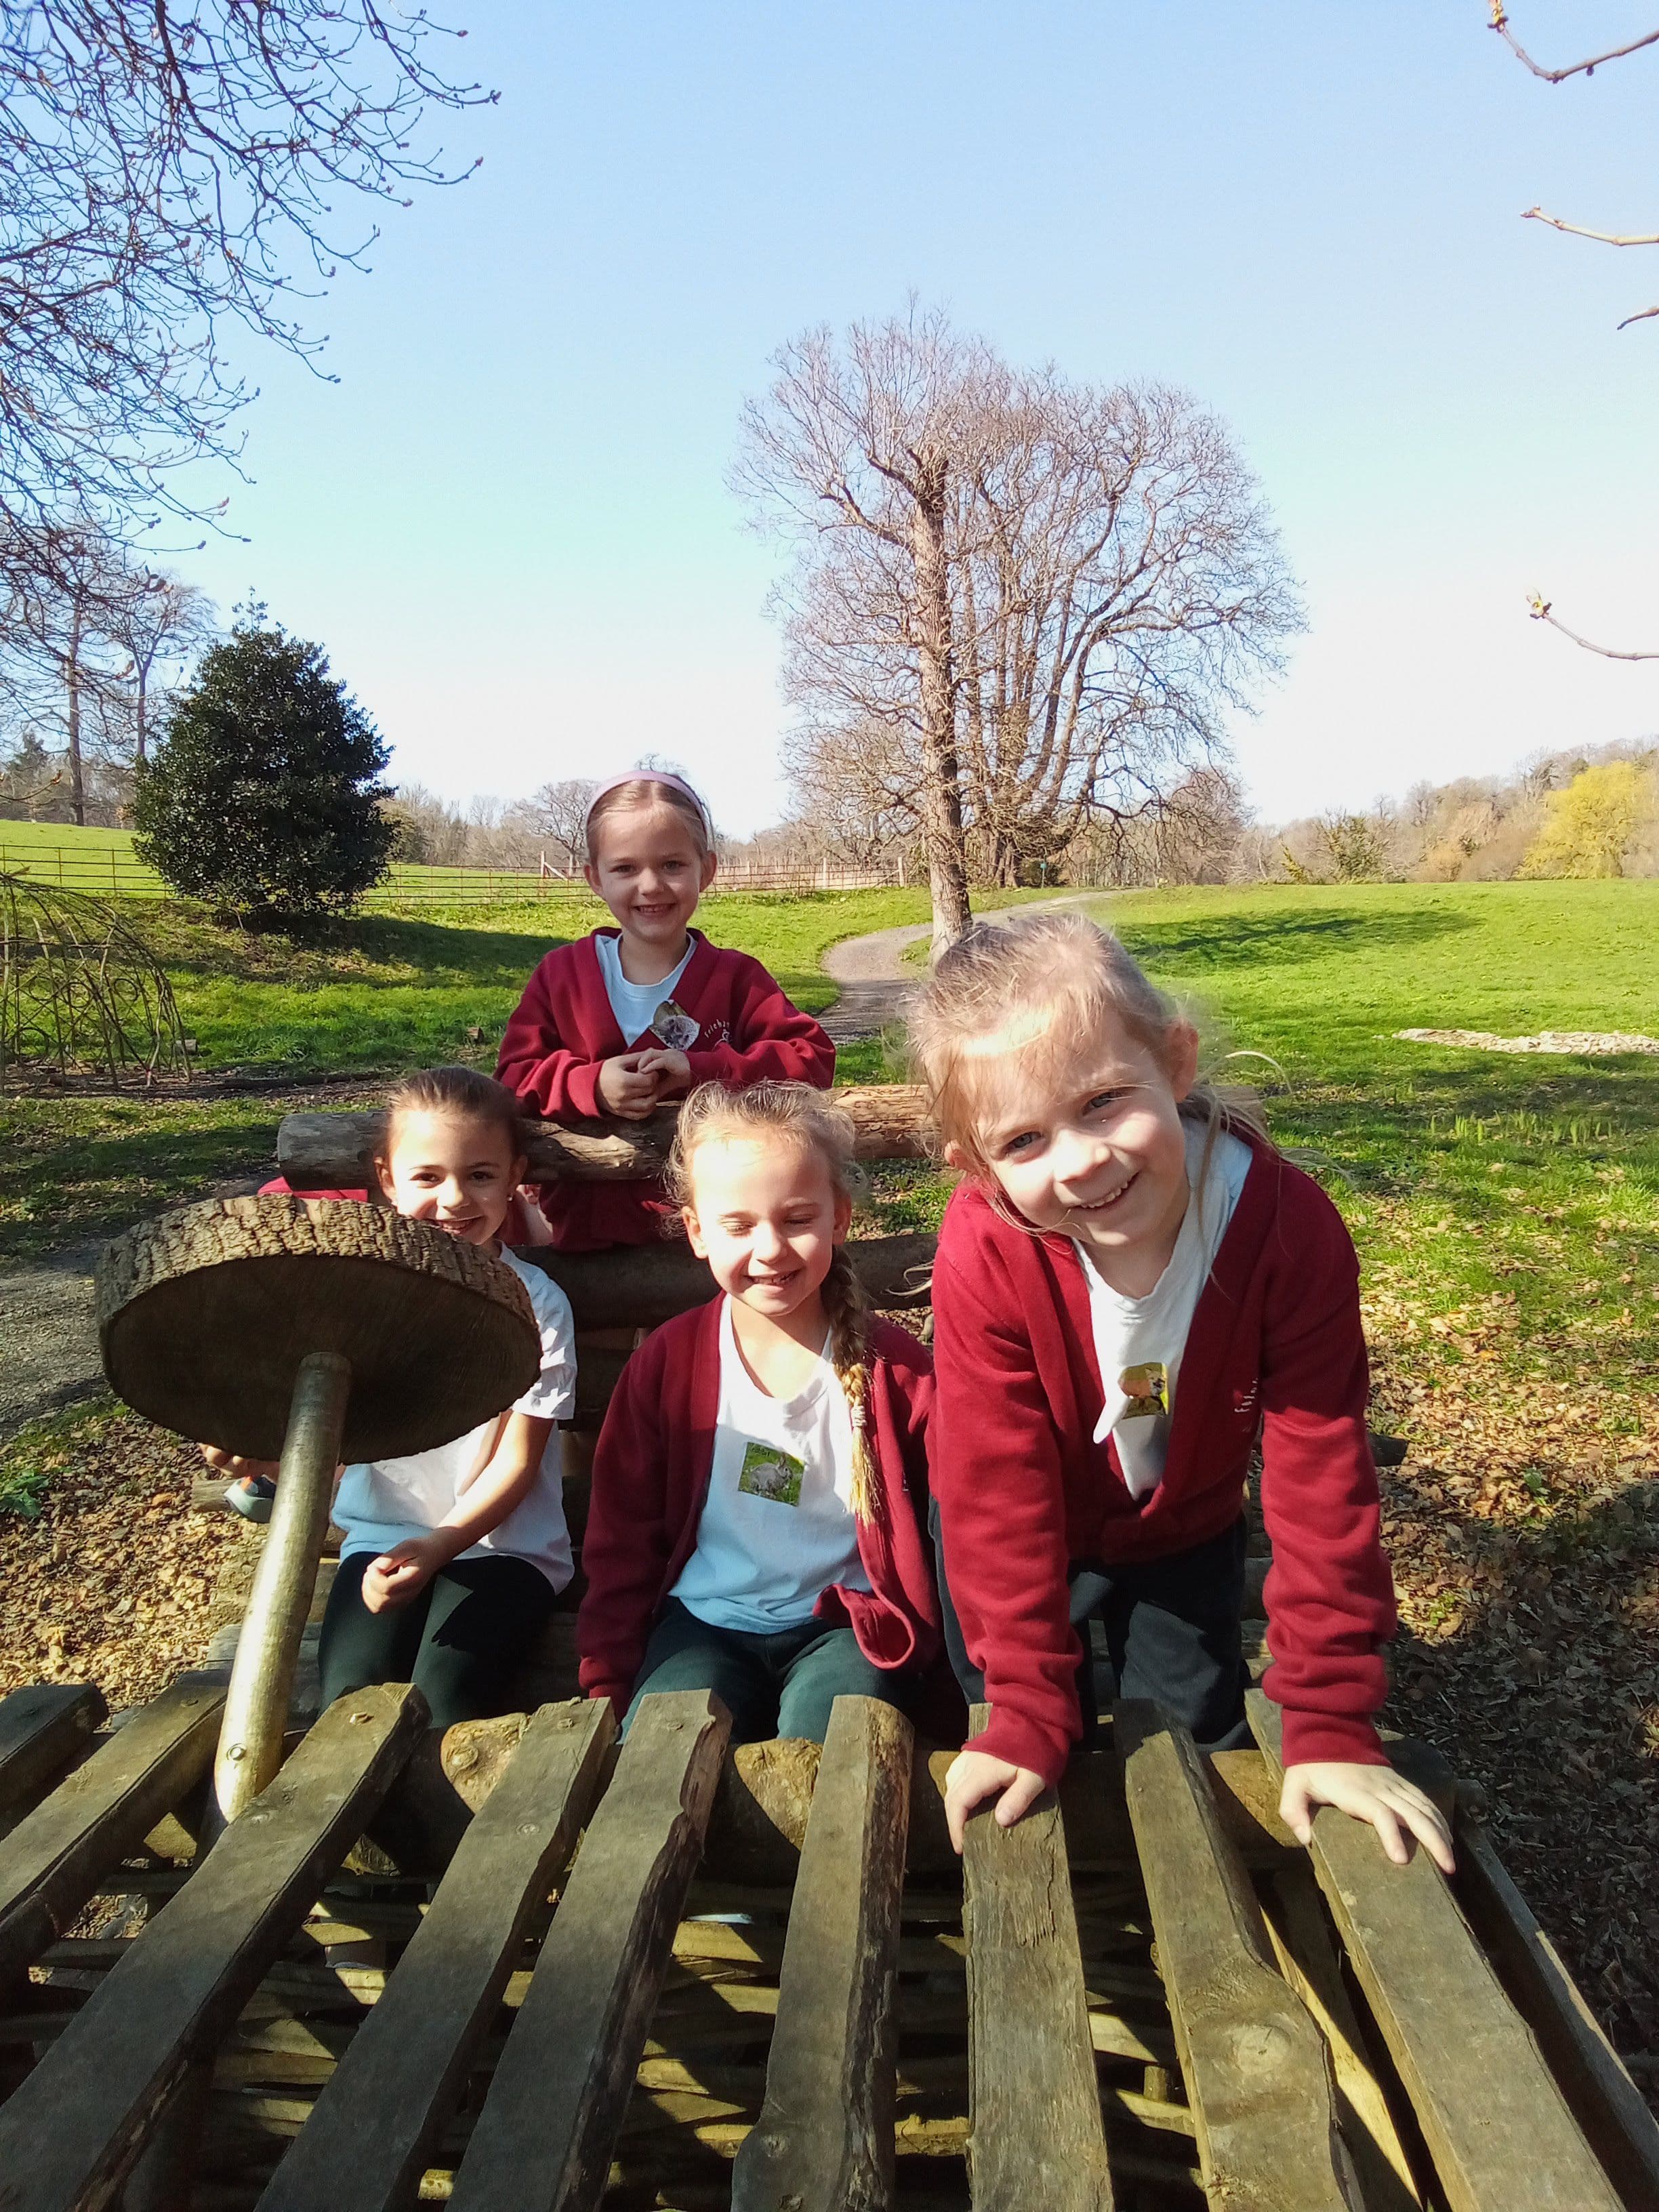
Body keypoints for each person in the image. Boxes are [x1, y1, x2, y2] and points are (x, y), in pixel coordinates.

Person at [909, 910, 1454, 1872]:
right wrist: (1027, 1705)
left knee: (1195, 1740)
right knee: (1037, 1759)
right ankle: (1082, 1935)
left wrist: (1328, 1716)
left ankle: (1194, 1940)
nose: (1080, 1160)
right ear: (976, 1167)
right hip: (1015, 1538)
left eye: (1105, 1101)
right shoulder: (989, 1246)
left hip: (1183, 1526)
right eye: (1025, 1139)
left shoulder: (1285, 1227)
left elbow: (1320, 1471)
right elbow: (996, 1486)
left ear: (1176, 1062)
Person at [202, 1066, 577, 1727]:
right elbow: (333, 1436)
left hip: (504, 1551)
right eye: (428, 1177)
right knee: (351, 1704)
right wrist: (260, 1456)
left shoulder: (538, 1306)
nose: (455, 1199)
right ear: (387, 1179)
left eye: (481, 1176)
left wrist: (441, 1545)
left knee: (444, 1706)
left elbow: (518, 1464)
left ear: (515, 1177)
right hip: (379, 1537)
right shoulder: (364, 1299)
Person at [576, 1080, 938, 1742]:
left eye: (797, 1219)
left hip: (845, 1630)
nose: (769, 1249)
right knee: (662, 1762)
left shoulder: (893, 1367)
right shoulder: (669, 1363)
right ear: (697, 1233)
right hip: (703, 1627)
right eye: (738, 1226)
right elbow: (621, 1540)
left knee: (837, 1761)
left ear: (840, 1217)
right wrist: (608, 1680)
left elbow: (954, 1517)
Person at [496, 772, 835, 1249]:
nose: (651, 886)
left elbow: (813, 1058)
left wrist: (702, 1071)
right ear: (594, 877)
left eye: (673, 864)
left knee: (700, 1328)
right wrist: (590, 1085)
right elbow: (513, 1075)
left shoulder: (735, 978)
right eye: (626, 869)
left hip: (712, 1240)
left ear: (708, 869)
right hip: (587, 1235)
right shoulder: (563, 976)